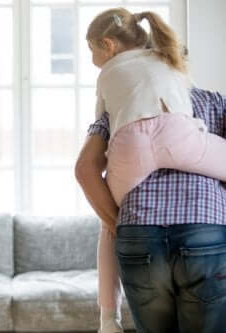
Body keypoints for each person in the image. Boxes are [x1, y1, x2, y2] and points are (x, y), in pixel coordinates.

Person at [77, 7, 226, 332]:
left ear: (109, 44)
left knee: (108, 225)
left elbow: (86, 170)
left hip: (137, 224)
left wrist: (116, 220)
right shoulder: (212, 102)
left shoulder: (115, 99)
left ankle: (107, 319)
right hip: (204, 224)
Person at [86, 8, 226, 208]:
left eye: (92, 49)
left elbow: (102, 119)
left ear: (108, 45)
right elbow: (184, 99)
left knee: (112, 210)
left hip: (130, 143)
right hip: (176, 133)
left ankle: (116, 235)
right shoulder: (167, 60)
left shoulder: (106, 74)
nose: (91, 58)